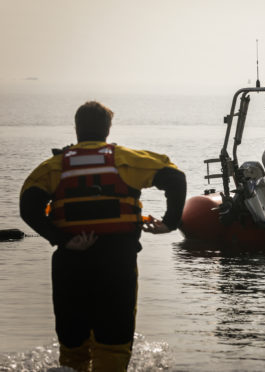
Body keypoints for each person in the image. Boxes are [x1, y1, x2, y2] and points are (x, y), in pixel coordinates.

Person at [19, 101, 186, 371]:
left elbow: (27, 206)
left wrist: (61, 239)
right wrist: (169, 223)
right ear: (107, 129)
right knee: (114, 342)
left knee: (73, 345)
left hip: (71, 261)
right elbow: (175, 177)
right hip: (116, 260)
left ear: (77, 129)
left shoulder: (54, 167)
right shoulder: (124, 160)